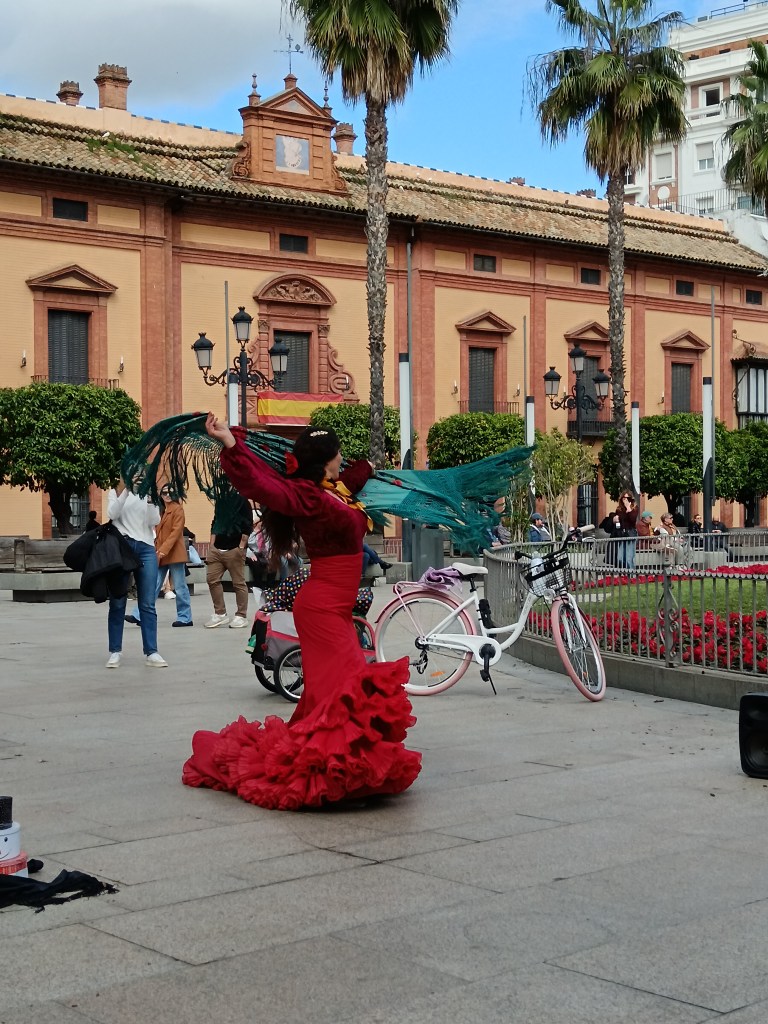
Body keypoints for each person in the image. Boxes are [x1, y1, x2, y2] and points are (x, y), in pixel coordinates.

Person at [182, 415, 422, 811]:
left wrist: (370, 466)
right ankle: (327, 774)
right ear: (328, 459)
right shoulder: (307, 497)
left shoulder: (333, 490)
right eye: (339, 453)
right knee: (343, 690)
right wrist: (230, 445)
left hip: (335, 610)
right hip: (322, 609)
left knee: (332, 693)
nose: (343, 458)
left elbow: (352, 480)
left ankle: (338, 770)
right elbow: (262, 485)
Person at [105, 475, 167, 669]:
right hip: (122, 546)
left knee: (148, 603)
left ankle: (152, 652)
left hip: (146, 547)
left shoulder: (150, 494)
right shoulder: (115, 491)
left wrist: (149, 498)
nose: (138, 476)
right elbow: (112, 514)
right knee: (117, 601)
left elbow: (154, 520)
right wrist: (126, 490)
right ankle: (115, 651)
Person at [125, 486, 193, 628]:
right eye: (164, 492)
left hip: (173, 553)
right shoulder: (161, 510)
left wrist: (162, 551)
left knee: (180, 586)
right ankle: (139, 615)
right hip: (160, 553)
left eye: (170, 492)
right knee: (152, 585)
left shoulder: (177, 509)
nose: (167, 495)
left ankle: (185, 617)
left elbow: (175, 532)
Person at [204, 491, 253, 628]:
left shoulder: (243, 501)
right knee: (212, 579)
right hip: (217, 549)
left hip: (234, 549)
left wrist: (241, 547)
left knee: (238, 583)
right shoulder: (220, 500)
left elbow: (247, 525)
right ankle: (220, 614)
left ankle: (241, 615)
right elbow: (215, 522)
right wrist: (211, 546)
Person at [601, 492, 639, 569]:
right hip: (622, 533)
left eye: (627, 498)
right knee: (620, 557)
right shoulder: (619, 509)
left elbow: (632, 520)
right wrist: (614, 520)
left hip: (630, 533)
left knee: (629, 557)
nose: (625, 500)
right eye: (624, 498)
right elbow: (619, 519)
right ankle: (625, 573)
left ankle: (632, 575)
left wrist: (628, 508)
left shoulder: (634, 508)